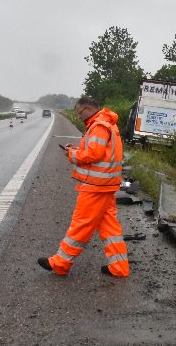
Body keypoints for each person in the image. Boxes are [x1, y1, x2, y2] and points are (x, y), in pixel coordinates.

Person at [38, 96, 129, 277]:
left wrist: (72, 154)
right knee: (110, 228)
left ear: (88, 108)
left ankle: (60, 263)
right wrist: (77, 149)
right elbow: (97, 152)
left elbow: (93, 154)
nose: (79, 116)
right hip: (105, 185)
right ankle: (119, 267)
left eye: (80, 113)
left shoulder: (99, 125)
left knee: (80, 225)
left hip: (95, 186)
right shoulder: (106, 123)